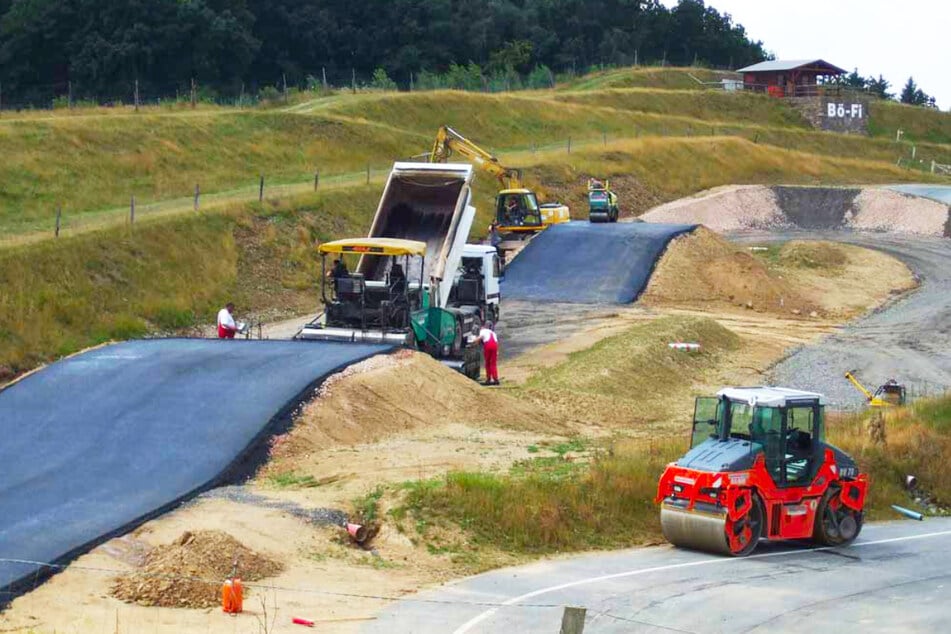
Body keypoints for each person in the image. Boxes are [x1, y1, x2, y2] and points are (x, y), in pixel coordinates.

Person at [477, 320, 500, 386]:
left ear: (484, 326)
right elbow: (496, 342)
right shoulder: (493, 333)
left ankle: (488, 378)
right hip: (495, 346)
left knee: (487, 363)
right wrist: (497, 351)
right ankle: (495, 379)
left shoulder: (483, 331)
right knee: (493, 363)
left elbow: (479, 338)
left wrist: (473, 342)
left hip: (488, 345)